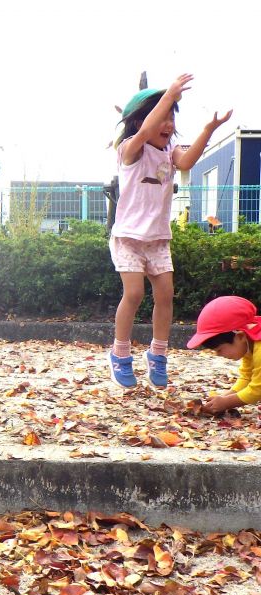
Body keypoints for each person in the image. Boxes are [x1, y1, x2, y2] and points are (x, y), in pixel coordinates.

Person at [107, 74, 232, 389]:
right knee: (134, 293)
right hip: (128, 238)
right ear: (139, 123)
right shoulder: (129, 150)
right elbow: (147, 129)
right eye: (161, 117)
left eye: (171, 118)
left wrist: (208, 130)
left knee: (165, 295)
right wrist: (169, 95)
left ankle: (158, 354)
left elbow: (188, 162)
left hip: (158, 239)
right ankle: (120, 354)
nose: (167, 125)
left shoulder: (170, 149)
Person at [187, 296, 261, 414]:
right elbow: (247, 377)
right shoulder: (249, 343)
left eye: (220, 350)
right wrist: (223, 398)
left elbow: (257, 390)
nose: (218, 355)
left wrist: (226, 403)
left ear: (240, 336)